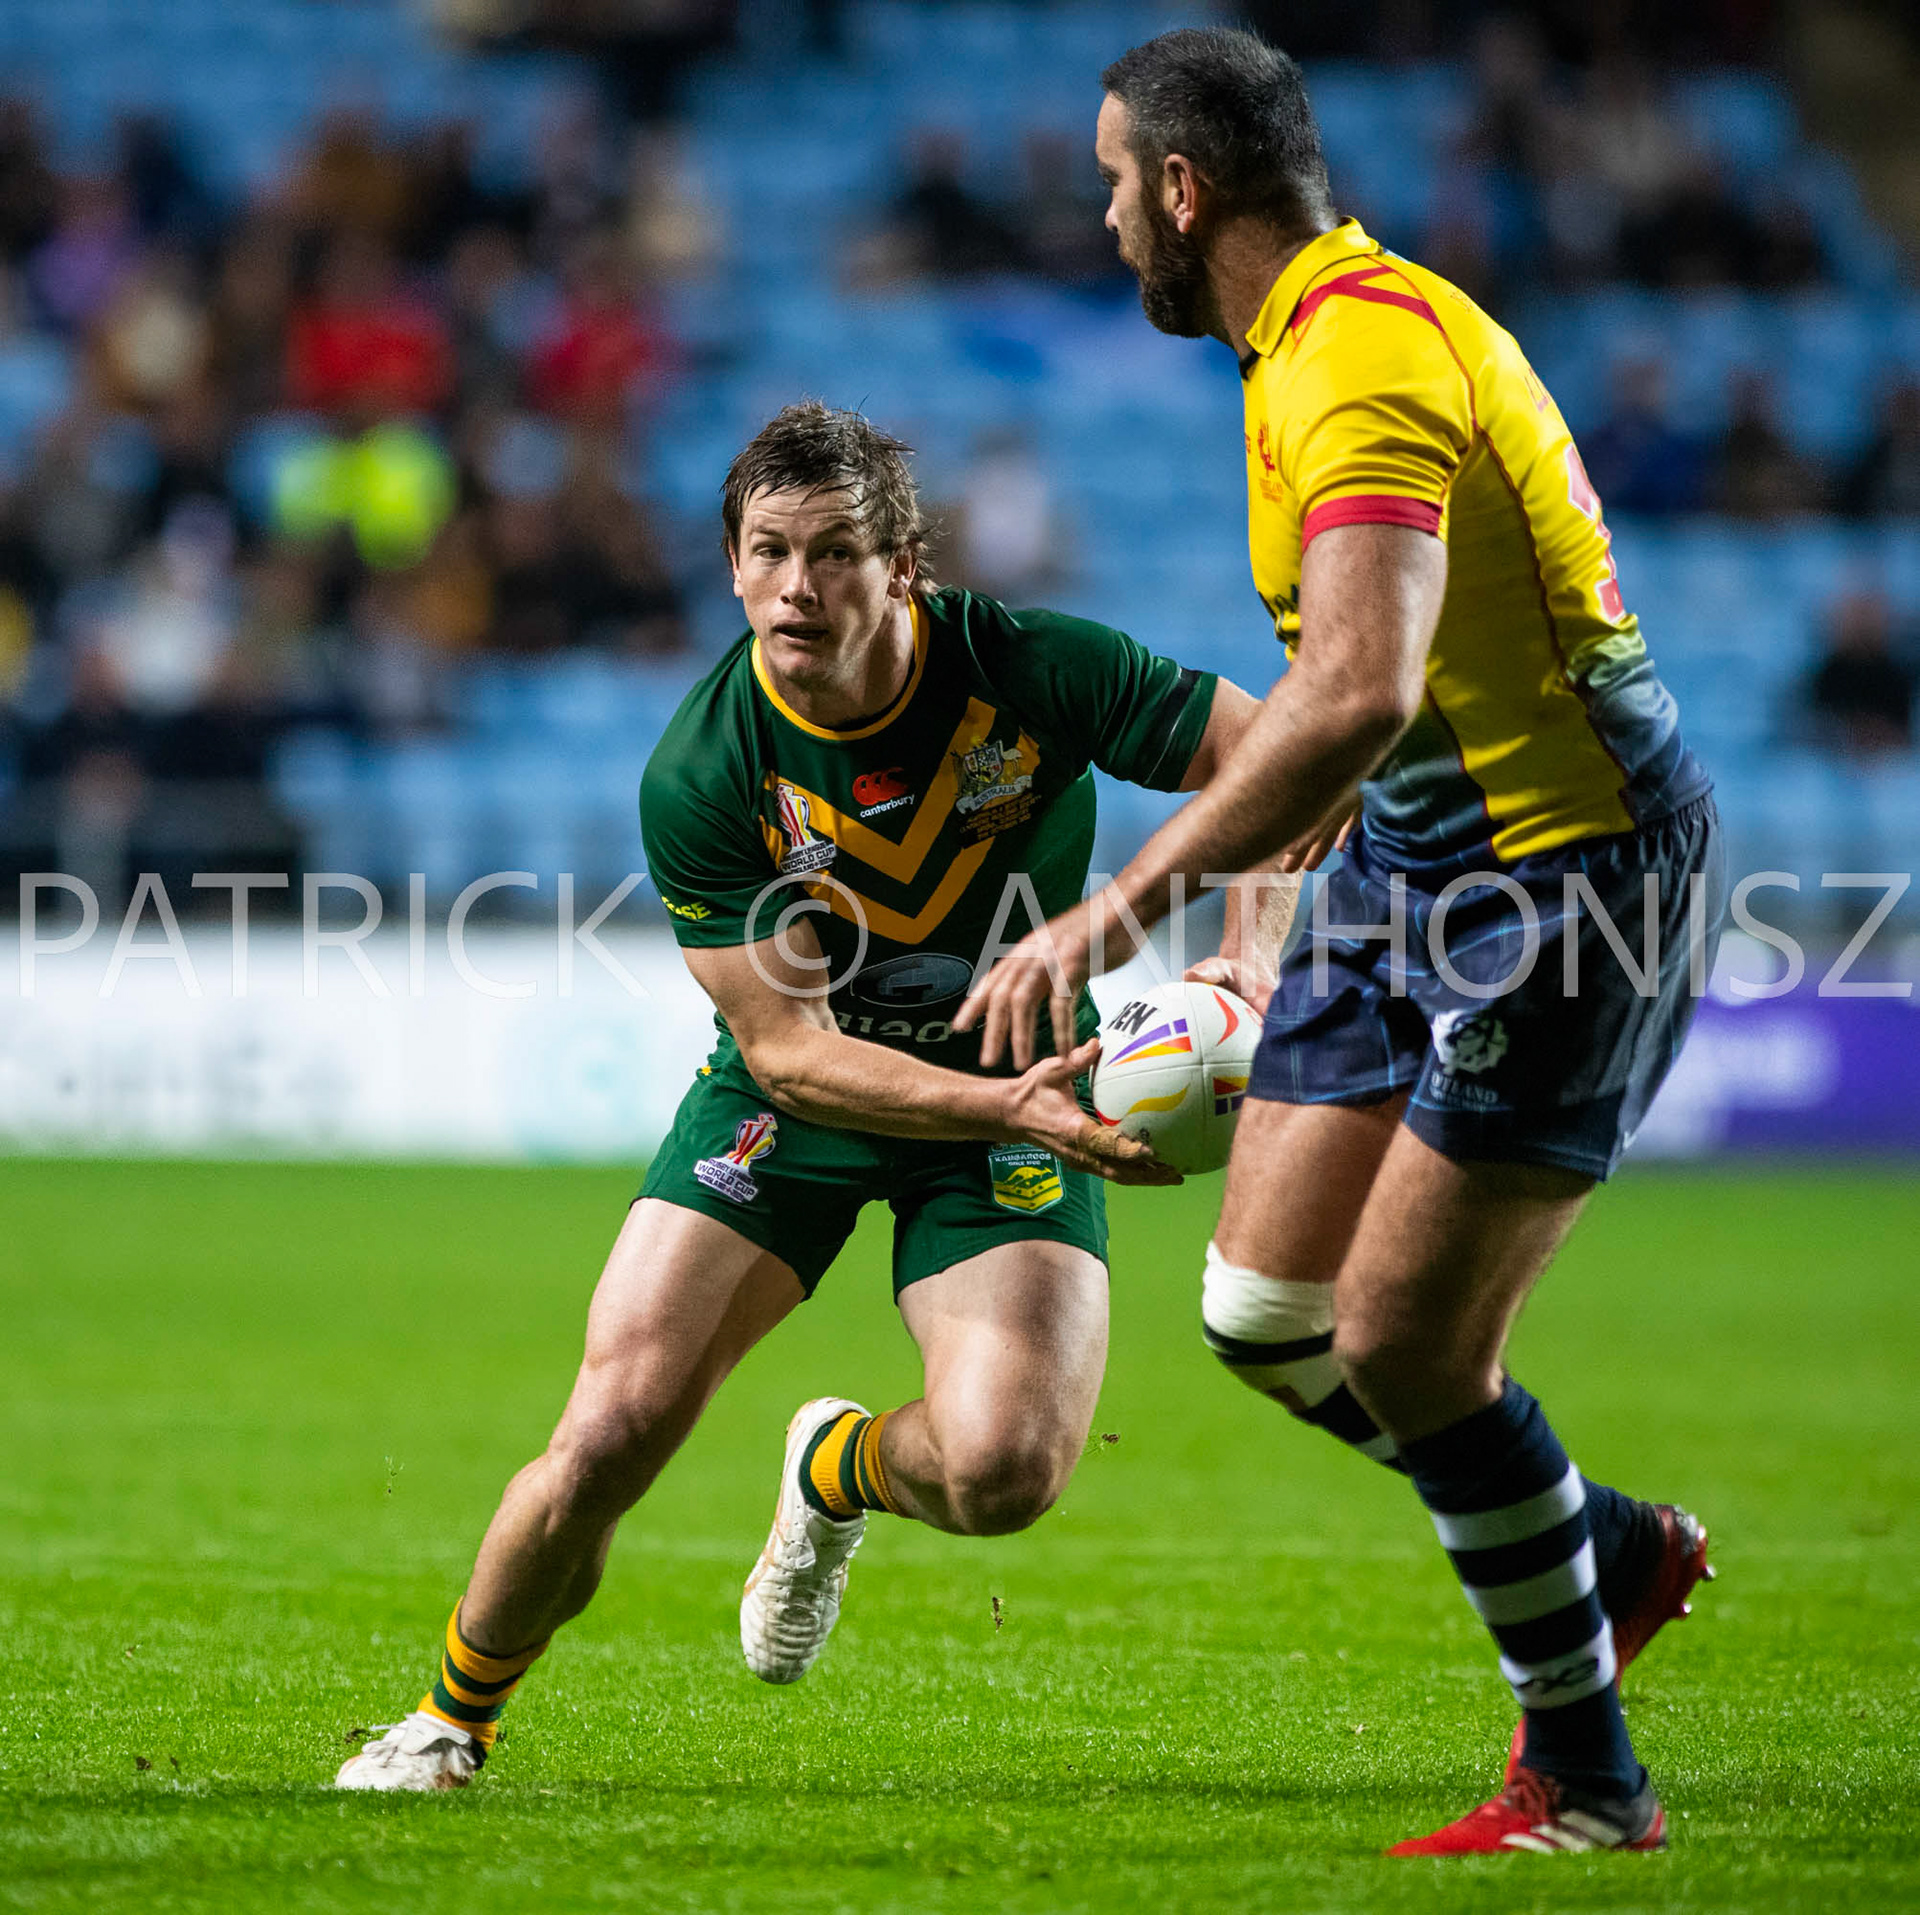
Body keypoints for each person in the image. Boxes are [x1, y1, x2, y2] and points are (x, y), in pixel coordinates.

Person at [957, 27, 1727, 1857]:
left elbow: (1363, 684)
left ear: (1183, 190)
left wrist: (1116, 907)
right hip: (1412, 853)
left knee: (1400, 1344)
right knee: (1259, 1309)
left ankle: (1589, 1783)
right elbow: (1351, 701)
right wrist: (1252, 921)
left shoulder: (1365, 355)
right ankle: (1590, 1540)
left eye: (1110, 183)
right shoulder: (1298, 341)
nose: (1104, 214)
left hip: (1569, 876)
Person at [336, 400, 1272, 1791]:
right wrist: (1004, 1110)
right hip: (815, 1099)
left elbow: (1268, 757)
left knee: (1006, 1469)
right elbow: (785, 1050)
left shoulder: (1026, 666)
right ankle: (449, 1718)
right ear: (730, 565)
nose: (797, 585)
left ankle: (837, 1470)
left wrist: (1246, 968)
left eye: (836, 552)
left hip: (1031, 1077)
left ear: (907, 568)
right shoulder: (706, 767)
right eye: (769, 550)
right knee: (609, 1430)